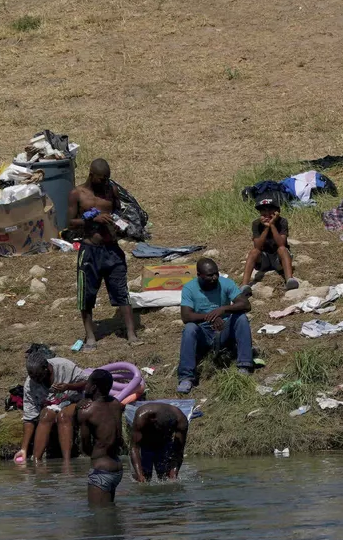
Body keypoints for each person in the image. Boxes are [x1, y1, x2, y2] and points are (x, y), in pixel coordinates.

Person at [71, 158, 138, 347]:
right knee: (86, 295)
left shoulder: (111, 190)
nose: (105, 182)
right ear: (91, 176)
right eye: (102, 179)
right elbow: (68, 223)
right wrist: (93, 220)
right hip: (90, 250)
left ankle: (131, 334)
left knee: (121, 290)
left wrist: (122, 225)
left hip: (112, 249)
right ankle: (91, 336)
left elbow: (118, 213)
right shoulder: (77, 194)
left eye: (108, 178)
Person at [175, 258, 254, 394]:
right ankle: (186, 377)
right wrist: (210, 317)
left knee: (241, 318)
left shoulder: (226, 283)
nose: (214, 277)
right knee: (189, 328)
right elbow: (186, 316)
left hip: (224, 329)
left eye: (216, 273)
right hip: (203, 333)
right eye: (210, 275)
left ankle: (245, 365)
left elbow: (246, 304)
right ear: (199, 275)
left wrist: (223, 309)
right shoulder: (189, 288)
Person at [18, 349, 86, 463]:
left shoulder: (64, 366)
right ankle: (36, 461)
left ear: (48, 368)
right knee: (45, 415)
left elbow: (87, 383)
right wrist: (23, 449)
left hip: (73, 401)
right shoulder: (30, 384)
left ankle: (67, 462)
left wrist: (68, 386)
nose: (37, 382)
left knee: (63, 416)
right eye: (34, 379)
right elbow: (29, 418)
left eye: (40, 378)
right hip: (51, 406)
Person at [78, 368, 125, 505]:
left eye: (87, 383)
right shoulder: (116, 404)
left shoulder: (86, 411)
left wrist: (96, 454)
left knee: (98, 519)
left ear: (93, 387)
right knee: (111, 518)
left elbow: (85, 447)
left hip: (101, 470)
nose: (85, 386)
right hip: (117, 469)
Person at [243, 197, 300, 290]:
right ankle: (244, 285)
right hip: (264, 258)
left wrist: (272, 225)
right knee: (254, 252)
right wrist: (266, 228)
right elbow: (257, 246)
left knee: (282, 249)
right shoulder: (256, 224)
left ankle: (289, 279)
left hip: (278, 258)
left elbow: (281, 243)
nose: (267, 214)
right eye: (263, 211)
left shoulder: (282, 222)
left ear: (277, 212)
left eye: (270, 211)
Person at [129, 400, 189, 482]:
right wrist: (139, 475)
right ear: (154, 421)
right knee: (143, 478)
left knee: (165, 477)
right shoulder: (142, 416)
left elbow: (178, 451)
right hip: (145, 442)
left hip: (164, 444)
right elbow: (134, 448)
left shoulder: (181, 421)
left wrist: (174, 473)